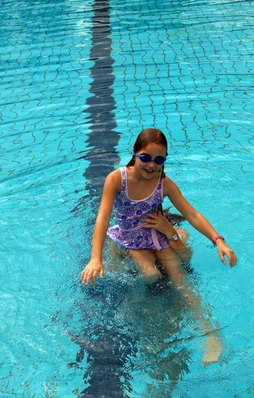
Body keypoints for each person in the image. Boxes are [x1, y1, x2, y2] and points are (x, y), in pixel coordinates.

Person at [80, 127, 237, 365]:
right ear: (135, 154)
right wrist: (95, 258)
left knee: (180, 278)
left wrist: (218, 240)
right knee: (150, 275)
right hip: (131, 239)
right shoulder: (117, 178)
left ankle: (210, 334)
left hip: (156, 236)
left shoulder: (164, 183)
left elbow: (192, 214)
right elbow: (102, 218)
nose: (151, 165)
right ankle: (135, 307)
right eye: (145, 157)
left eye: (159, 159)